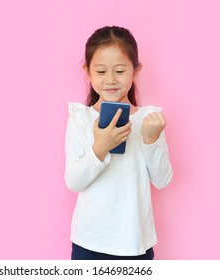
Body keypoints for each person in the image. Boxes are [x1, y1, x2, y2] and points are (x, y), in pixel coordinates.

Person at [65, 26, 173, 260]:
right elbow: (73, 181)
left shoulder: (149, 120)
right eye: (101, 71)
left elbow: (163, 180)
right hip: (89, 241)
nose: (111, 80)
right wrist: (100, 147)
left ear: (136, 70)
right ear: (88, 71)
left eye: (120, 70)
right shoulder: (80, 118)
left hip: (135, 242)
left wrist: (151, 140)